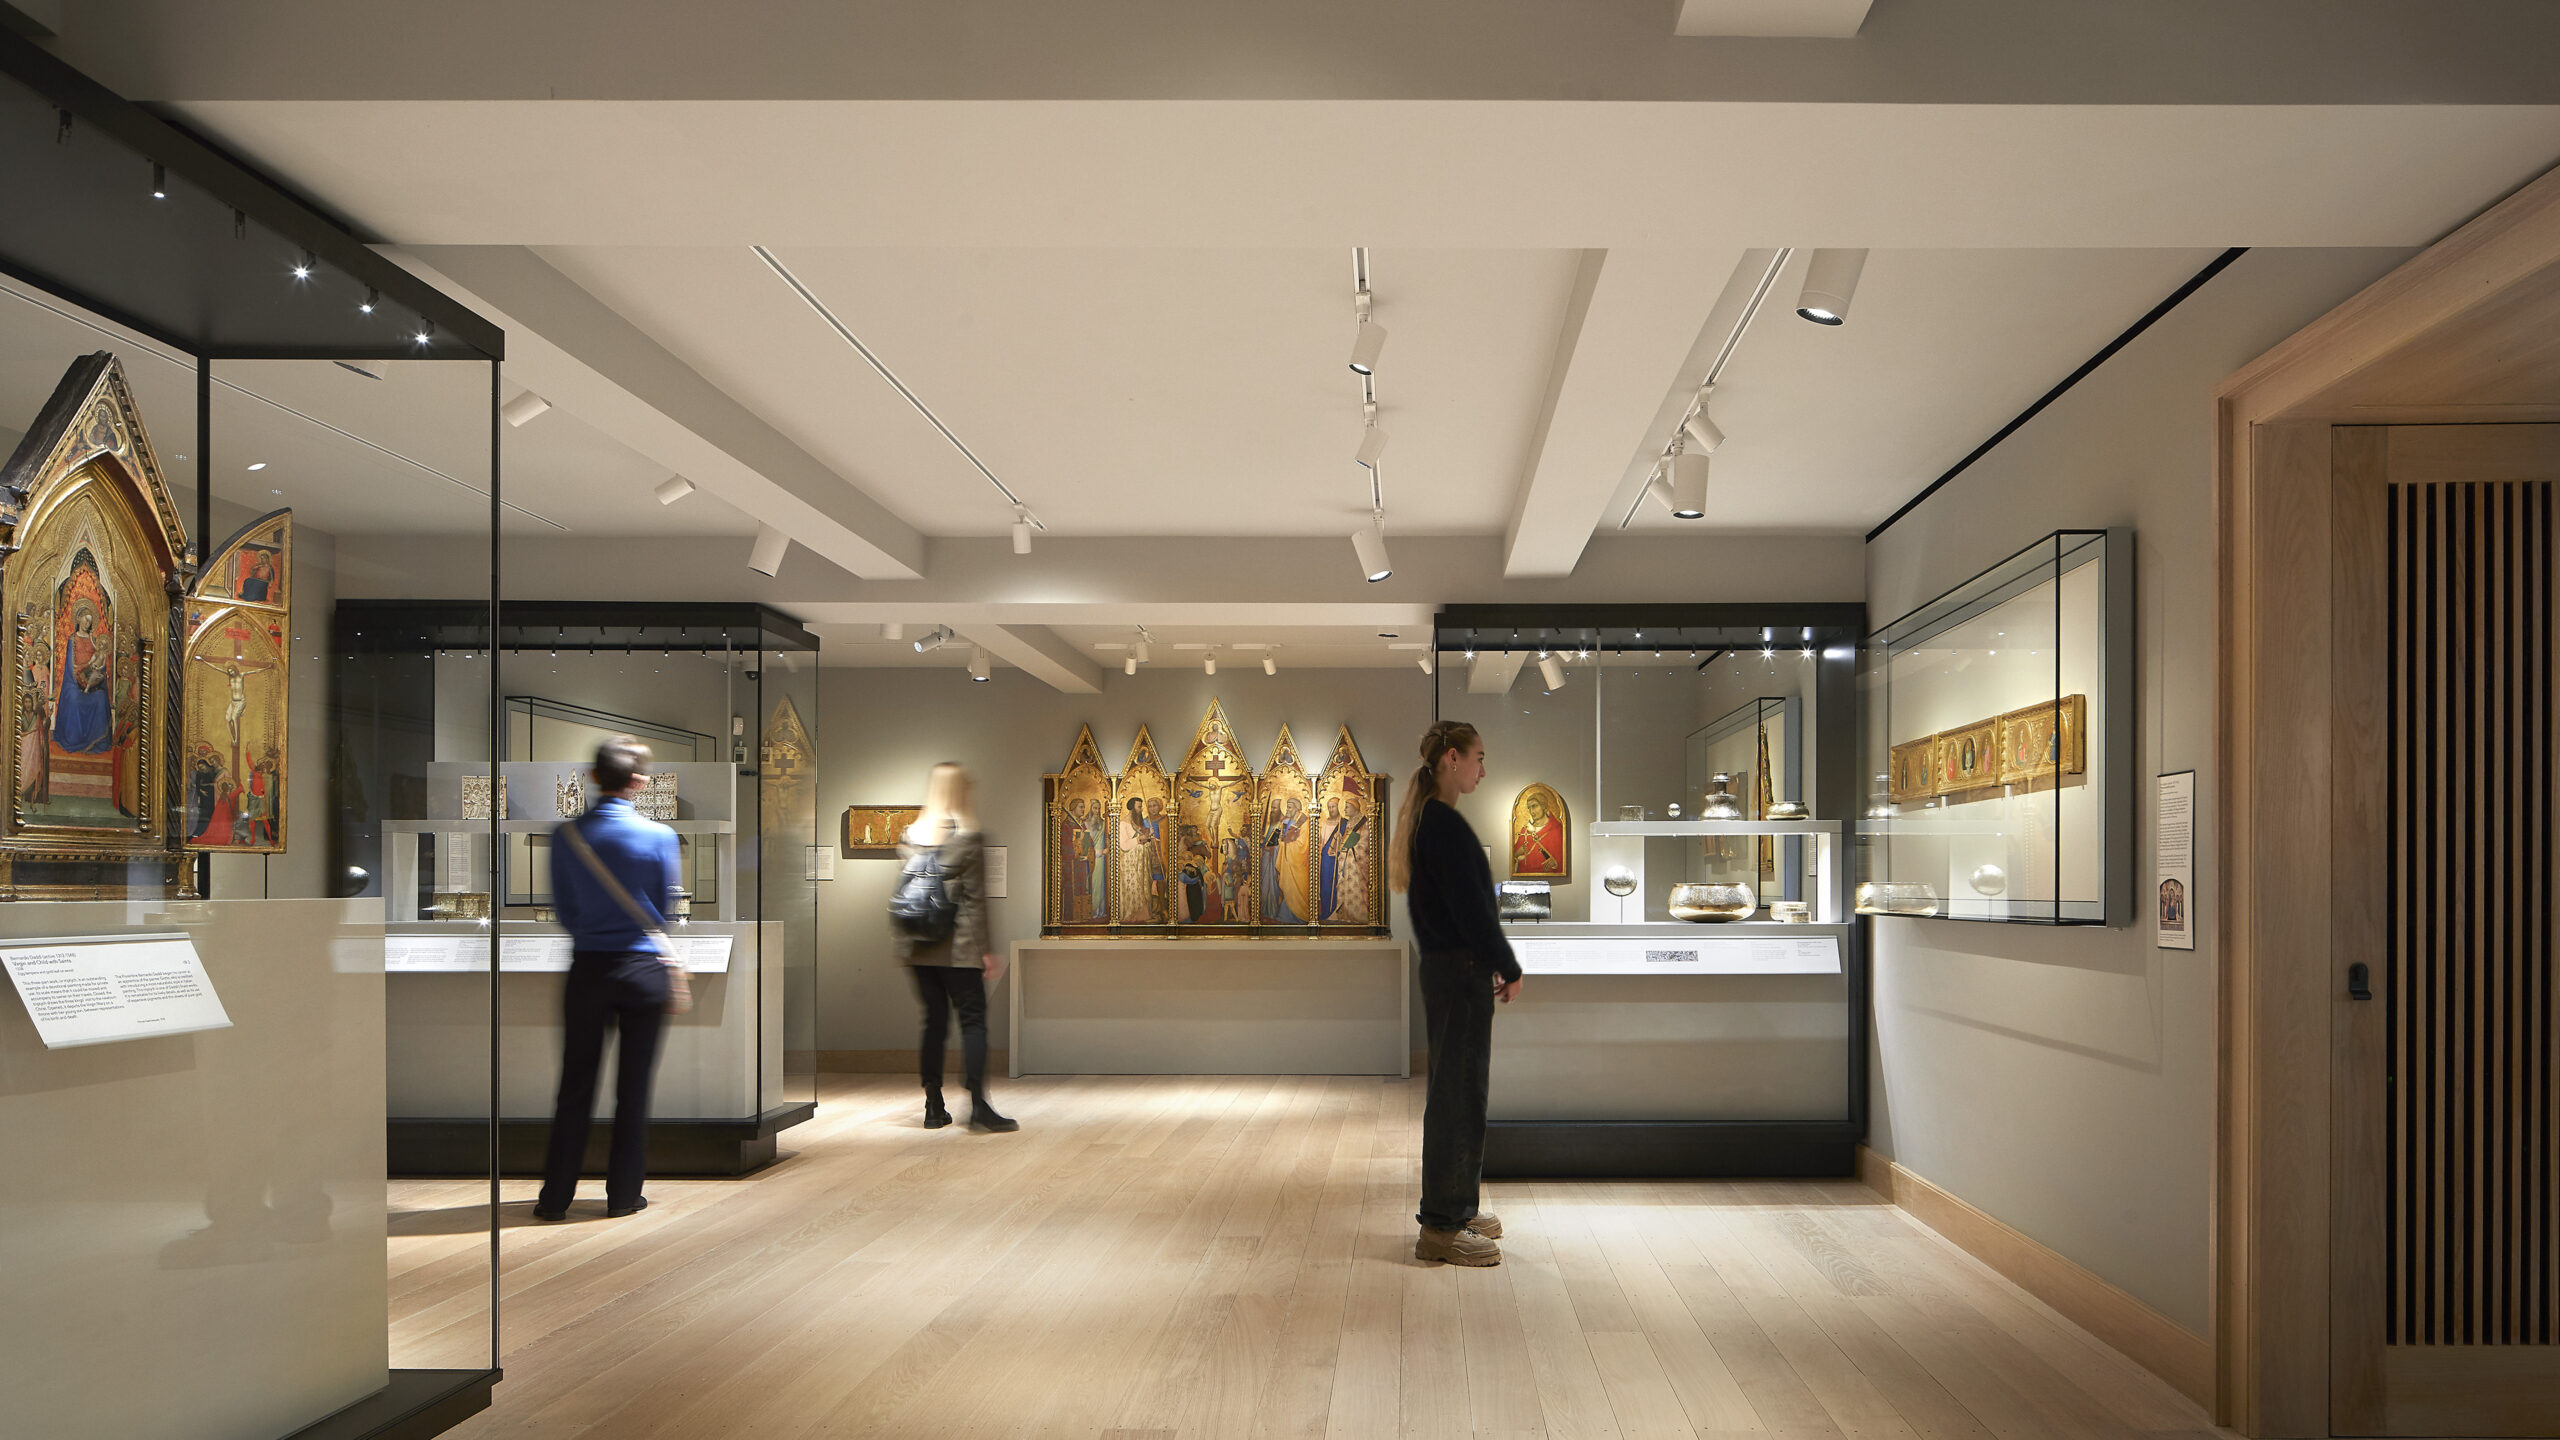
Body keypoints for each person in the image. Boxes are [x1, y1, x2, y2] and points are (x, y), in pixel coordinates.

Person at [534, 737, 684, 1222]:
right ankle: (622, 1195)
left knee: (575, 1085)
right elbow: (662, 910)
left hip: (589, 966)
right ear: (638, 782)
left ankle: (555, 1198)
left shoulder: (566, 836)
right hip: (643, 970)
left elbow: (564, 909)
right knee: (633, 1089)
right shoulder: (659, 836)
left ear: (593, 778)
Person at [1391, 720, 1521, 1266]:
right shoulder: (1441, 824)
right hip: (1457, 972)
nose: (1483, 770)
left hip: (1453, 971)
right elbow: (1473, 909)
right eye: (1479, 758)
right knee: (1456, 1094)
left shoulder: (1434, 821)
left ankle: (1458, 1207)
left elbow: (1464, 909)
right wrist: (1506, 963)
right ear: (1451, 759)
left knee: (1463, 1091)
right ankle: (1441, 1227)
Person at [896, 762, 1015, 1132]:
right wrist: (988, 950)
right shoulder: (969, 836)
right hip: (960, 949)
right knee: (973, 1022)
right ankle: (978, 1105)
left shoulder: (911, 834)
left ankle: (933, 1105)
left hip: (918, 949)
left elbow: (909, 892)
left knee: (933, 1023)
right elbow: (976, 901)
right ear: (959, 791)